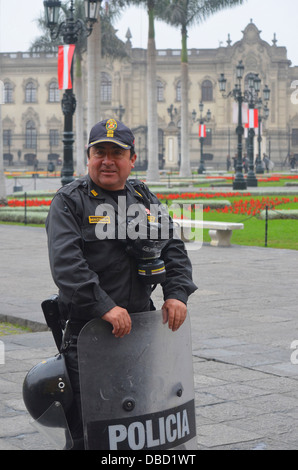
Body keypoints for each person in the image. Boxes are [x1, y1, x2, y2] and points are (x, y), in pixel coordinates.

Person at [45, 118, 197, 449]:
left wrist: (177, 294)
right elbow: (68, 266)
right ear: (88, 156)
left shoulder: (143, 198)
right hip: (89, 333)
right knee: (91, 433)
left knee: (143, 424)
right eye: (100, 152)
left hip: (141, 330)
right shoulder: (70, 202)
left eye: (117, 153)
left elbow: (174, 249)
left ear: (132, 159)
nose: (108, 161)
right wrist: (105, 306)